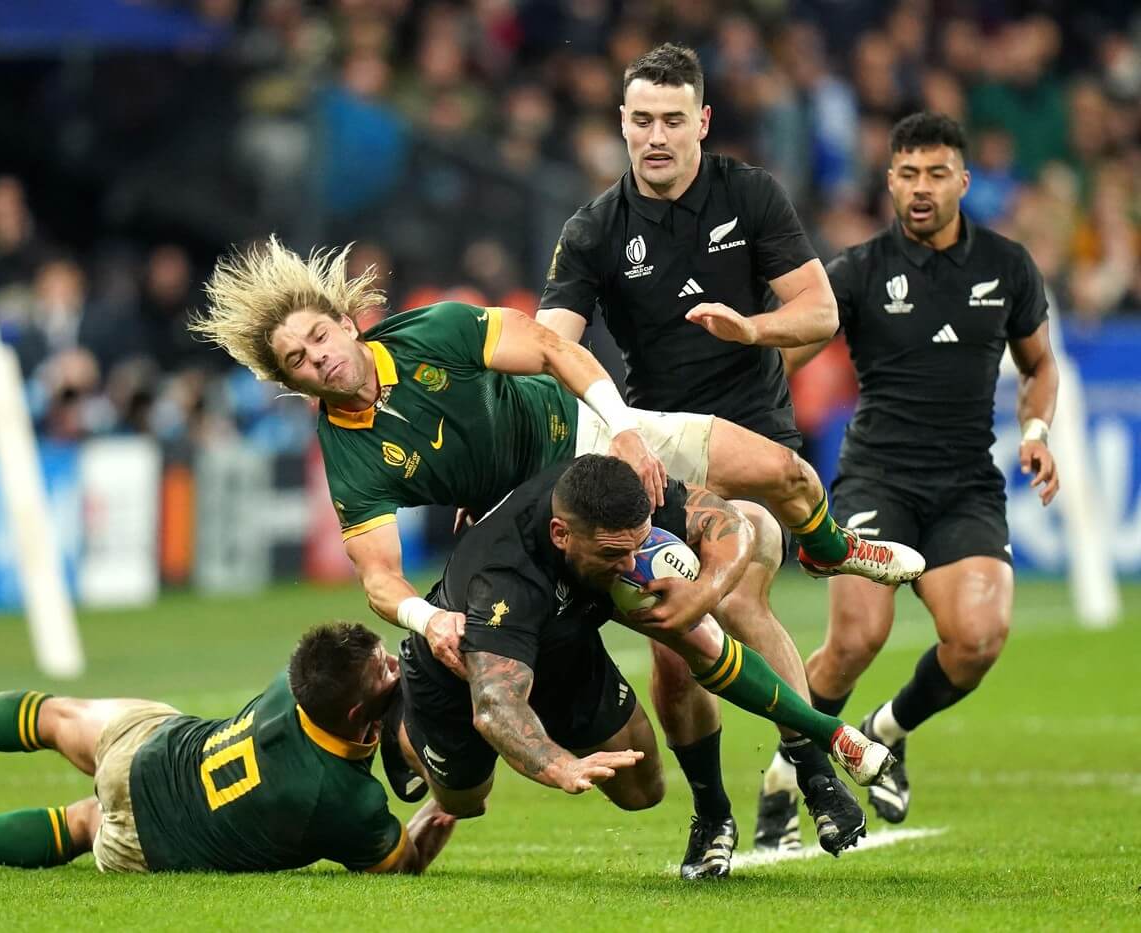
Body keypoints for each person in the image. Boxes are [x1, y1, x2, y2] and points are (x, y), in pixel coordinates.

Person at [192, 236, 922, 872]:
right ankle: (719, 812)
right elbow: (380, 578)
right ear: (290, 383)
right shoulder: (349, 457)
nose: (318, 358)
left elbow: (550, 347)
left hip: (592, 437)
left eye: (319, 337)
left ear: (347, 323)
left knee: (782, 474)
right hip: (539, 525)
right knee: (686, 640)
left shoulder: (434, 330)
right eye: (297, 360)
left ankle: (829, 559)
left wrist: (623, 426)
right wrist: (427, 619)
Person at [535, 41, 888, 862]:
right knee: (671, 647)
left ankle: (814, 769)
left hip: (756, 439)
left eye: (672, 120)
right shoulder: (593, 230)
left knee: (731, 597)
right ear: (622, 123)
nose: (655, 136)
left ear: (702, 121)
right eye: (641, 120)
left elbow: (821, 312)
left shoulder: (750, 195)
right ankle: (713, 812)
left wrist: (753, 328)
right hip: (661, 455)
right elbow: (551, 347)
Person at [770, 112, 1059, 832]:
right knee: (855, 639)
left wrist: (1036, 430)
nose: (921, 187)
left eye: (936, 173)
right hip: (877, 478)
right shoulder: (858, 271)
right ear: (889, 182)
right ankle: (789, 770)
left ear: (964, 180)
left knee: (978, 639)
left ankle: (886, 729)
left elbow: (1039, 365)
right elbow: (781, 360)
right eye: (907, 174)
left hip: (966, 485)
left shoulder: (1008, 266)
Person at [393, 455, 894, 846]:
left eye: (637, 545)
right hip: (462, 675)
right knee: (465, 801)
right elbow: (494, 706)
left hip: (565, 647)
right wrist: (560, 765)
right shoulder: (503, 579)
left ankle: (827, 740)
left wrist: (703, 594)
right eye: (615, 552)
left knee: (643, 791)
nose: (632, 564)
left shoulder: (613, 495)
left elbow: (732, 523)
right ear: (560, 535)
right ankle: (399, 724)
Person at [0, 623, 456, 874]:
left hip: (155, 754)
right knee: (79, 826)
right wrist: (447, 798)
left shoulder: (288, 687)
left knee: (55, 717)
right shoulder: (347, 803)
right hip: (153, 846)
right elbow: (401, 863)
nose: (395, 666)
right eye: (385, 667)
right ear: (358, 717)